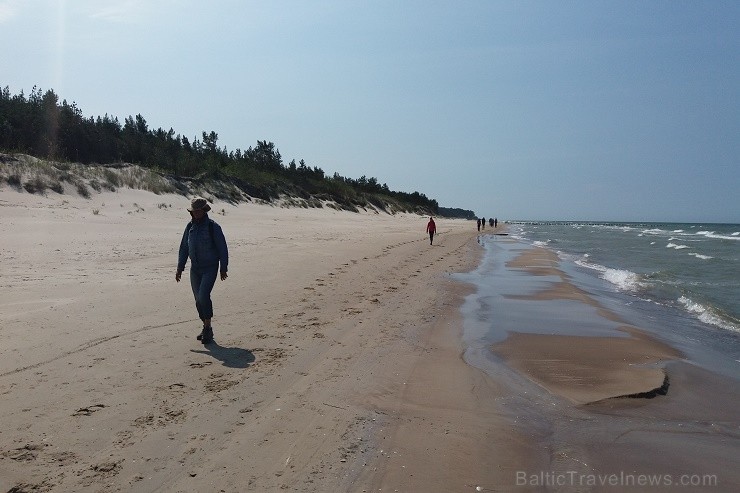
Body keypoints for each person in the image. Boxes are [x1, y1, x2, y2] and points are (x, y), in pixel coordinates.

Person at [176, 197, 229, 344]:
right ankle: (206, 326)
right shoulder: (190, 227)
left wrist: (223, 268)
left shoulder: (213, 227)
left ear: (204, 211)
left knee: (203, 296)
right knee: (198, 301)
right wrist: (180, 267)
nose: (196, 213)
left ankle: (208, 328)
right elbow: (184, 248)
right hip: (195, 269)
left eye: (198, 211)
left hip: (210, 268)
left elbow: (222, 248)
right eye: (194, 211)